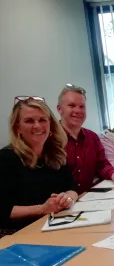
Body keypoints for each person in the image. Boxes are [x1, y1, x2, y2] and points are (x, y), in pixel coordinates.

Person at [0, 97, 78, 237]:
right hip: (17, 234)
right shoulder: (5, 158)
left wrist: (67, 198)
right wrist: (42, 209)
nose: (37, 126)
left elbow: (72, 187)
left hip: (54, 226)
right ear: (18, 127)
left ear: (50, 125)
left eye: (42, 120)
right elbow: (2, 210)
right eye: (29, 121)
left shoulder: (56, 154)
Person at [57, 84, 114, 194]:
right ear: (59, 109)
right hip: (61, 204)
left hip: (89, 199)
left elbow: (102, 165)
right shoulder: (50, 139)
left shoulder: (92, 137)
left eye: (82, 106)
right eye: (71, 105)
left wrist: (113, 173)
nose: (78, 110)